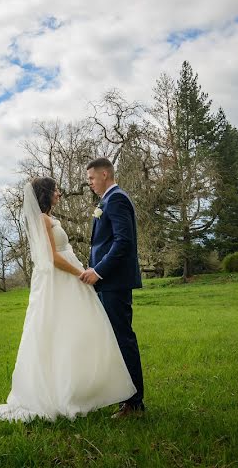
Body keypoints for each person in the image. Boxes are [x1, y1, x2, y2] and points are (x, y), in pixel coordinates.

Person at [0, 177, 135, 422]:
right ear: (46, 194)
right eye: (56, 190)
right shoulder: (41, 220)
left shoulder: (47, 219)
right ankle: (60, 393)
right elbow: (52, 257)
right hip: (59, 281)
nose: (59, 193)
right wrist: (80, 273)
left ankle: (81, 387)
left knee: (73, 333)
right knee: (58, 332)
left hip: (66, 281)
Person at [80, 157, 145, 417]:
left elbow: (123, 243)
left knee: (122, 339)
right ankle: (122, 396)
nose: (90, 183)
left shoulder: (116, 199)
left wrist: (98, 271)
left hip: (114, 282)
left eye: (92, 178)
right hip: (108, 283)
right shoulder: (106, 201)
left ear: (105, 174)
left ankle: (134, 402)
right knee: (114, 340)